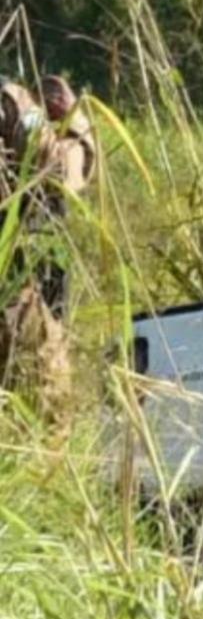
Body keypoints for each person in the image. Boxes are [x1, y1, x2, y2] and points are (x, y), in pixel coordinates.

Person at [0, 75, 98, 407]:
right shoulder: (10, 103)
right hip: (14, 297)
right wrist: (75, 130)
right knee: (47, 411)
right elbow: (62, 171)